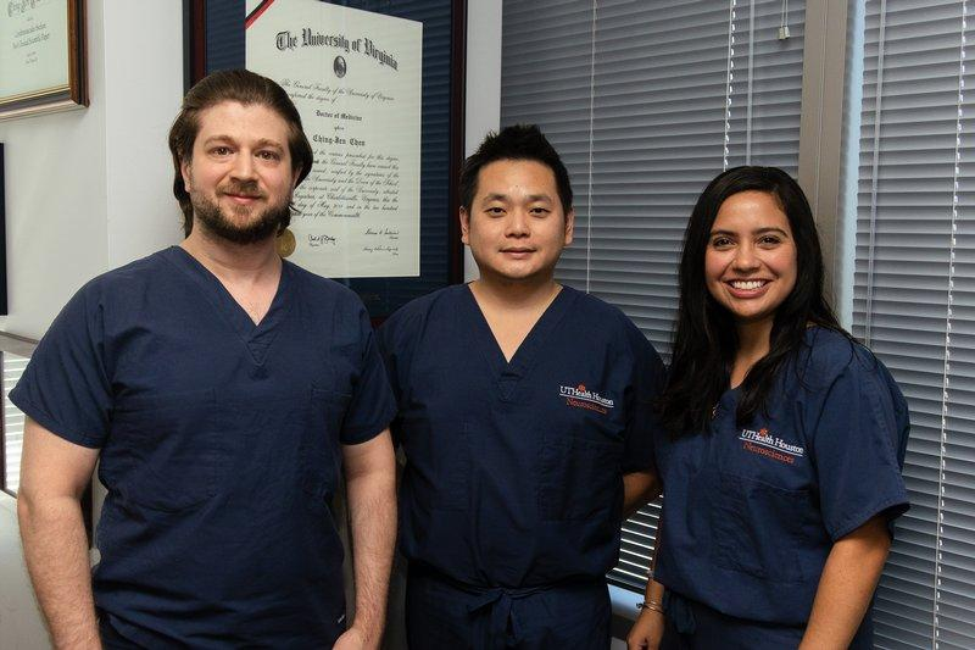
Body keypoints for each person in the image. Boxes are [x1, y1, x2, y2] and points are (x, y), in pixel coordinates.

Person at [14, 69, 398, 649]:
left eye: (268, 153)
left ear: (294, 175)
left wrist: (368, 627)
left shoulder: (340, 316)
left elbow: (371, 473)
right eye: (222, 149)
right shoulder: (108, 309)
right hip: (147, 637)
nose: (245, 171)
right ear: (185, 167)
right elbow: (46, 495)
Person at [377, 124, 666, 649]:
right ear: (465, 224)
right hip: (444, 609)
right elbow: (368, 463)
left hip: (566, 613)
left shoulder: (611, 340)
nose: (518, 227)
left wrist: (574, 510)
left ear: (568, 225)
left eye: (538, 210)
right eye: (496, 209)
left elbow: (653, 463)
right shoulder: (411, 333)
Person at [627, 166, 910, 649]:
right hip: (685, 628)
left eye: (768, 240)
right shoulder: (699, 369)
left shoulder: (838, 375)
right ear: (701, 257)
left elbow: (863, 543)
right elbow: (684, 502)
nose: (743, 261)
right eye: (722, 242)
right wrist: (655, 604)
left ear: (800, 250)